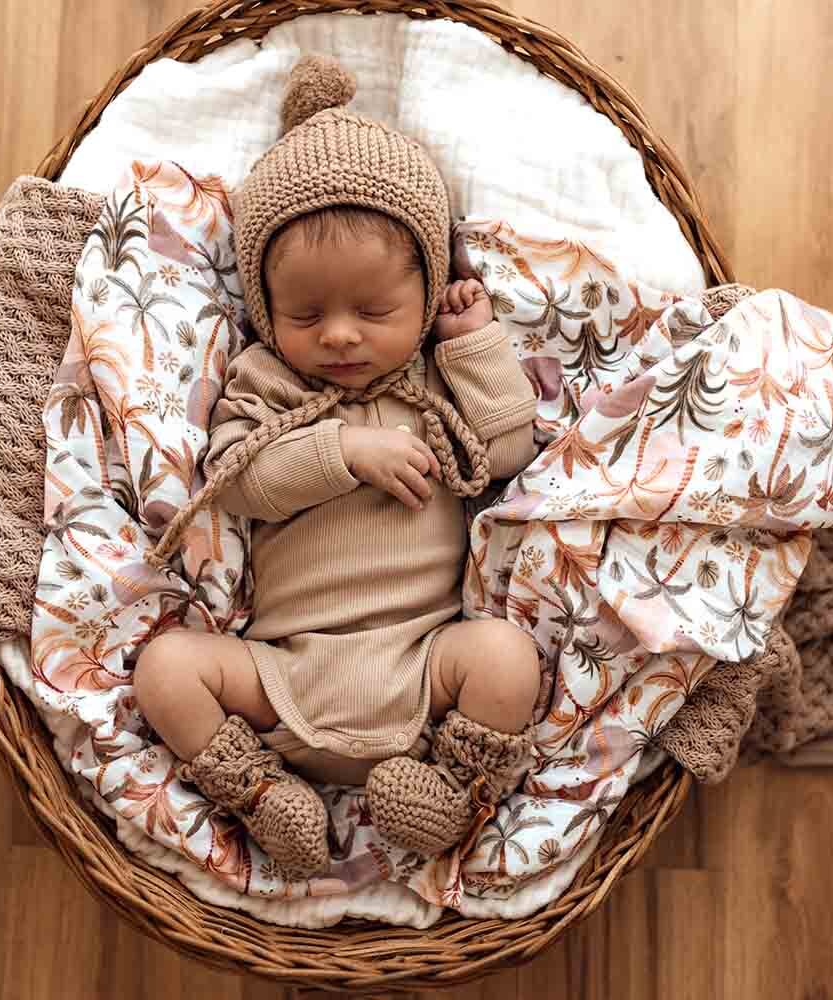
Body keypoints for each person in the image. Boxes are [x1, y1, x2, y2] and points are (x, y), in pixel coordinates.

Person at [134, 54, 541, 879]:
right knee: (165, 667)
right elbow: (240, 478)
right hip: (282, 671)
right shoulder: (267, 381)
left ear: (426, 294)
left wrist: (478, 349)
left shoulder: (433, 382)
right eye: (306, 314)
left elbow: (506, 452)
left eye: (376, 310)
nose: (342, 336)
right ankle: (255, 792)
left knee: (507, 657)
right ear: (262, 309)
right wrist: (345, 452)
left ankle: (450, 791)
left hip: (425, 666)